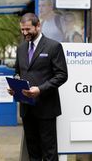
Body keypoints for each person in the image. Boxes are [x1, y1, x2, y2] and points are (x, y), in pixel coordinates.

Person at [8, 13, 68, 161]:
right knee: (32, 151)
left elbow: (62, 75)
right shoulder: (21, 48)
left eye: (28, 29)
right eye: (22, 30)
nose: (24, 33)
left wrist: (40, 89)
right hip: (27, 109)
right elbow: (18, 72)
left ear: (38, 26)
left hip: (46, 108)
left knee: (49, 151)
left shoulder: (54, 46)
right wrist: (15, 84)